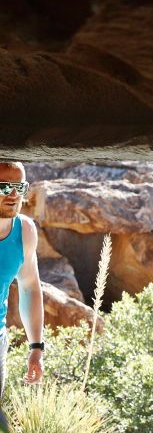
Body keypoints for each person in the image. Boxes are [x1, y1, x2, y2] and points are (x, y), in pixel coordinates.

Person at [0, 162, 45, 398]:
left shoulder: (24, 231)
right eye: (4, 187)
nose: (14, 195)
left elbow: (29, 287)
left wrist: (36, 347)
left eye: (19, 187)